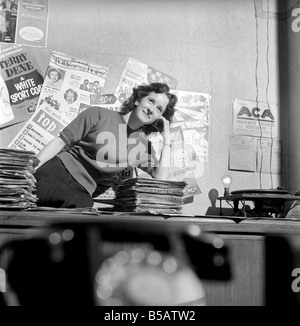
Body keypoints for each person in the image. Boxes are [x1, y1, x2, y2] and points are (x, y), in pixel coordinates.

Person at [34, 83, 177, 208]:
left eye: (159, 109)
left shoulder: (142, 145)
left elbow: (160, 178)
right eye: (150, 101)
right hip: (56, 173)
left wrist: (167, 138)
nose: (151, 109)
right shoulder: (99, 114)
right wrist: (31, 170)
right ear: (138, 100)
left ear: (159, 118)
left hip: (82, 190)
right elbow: (61, 141)